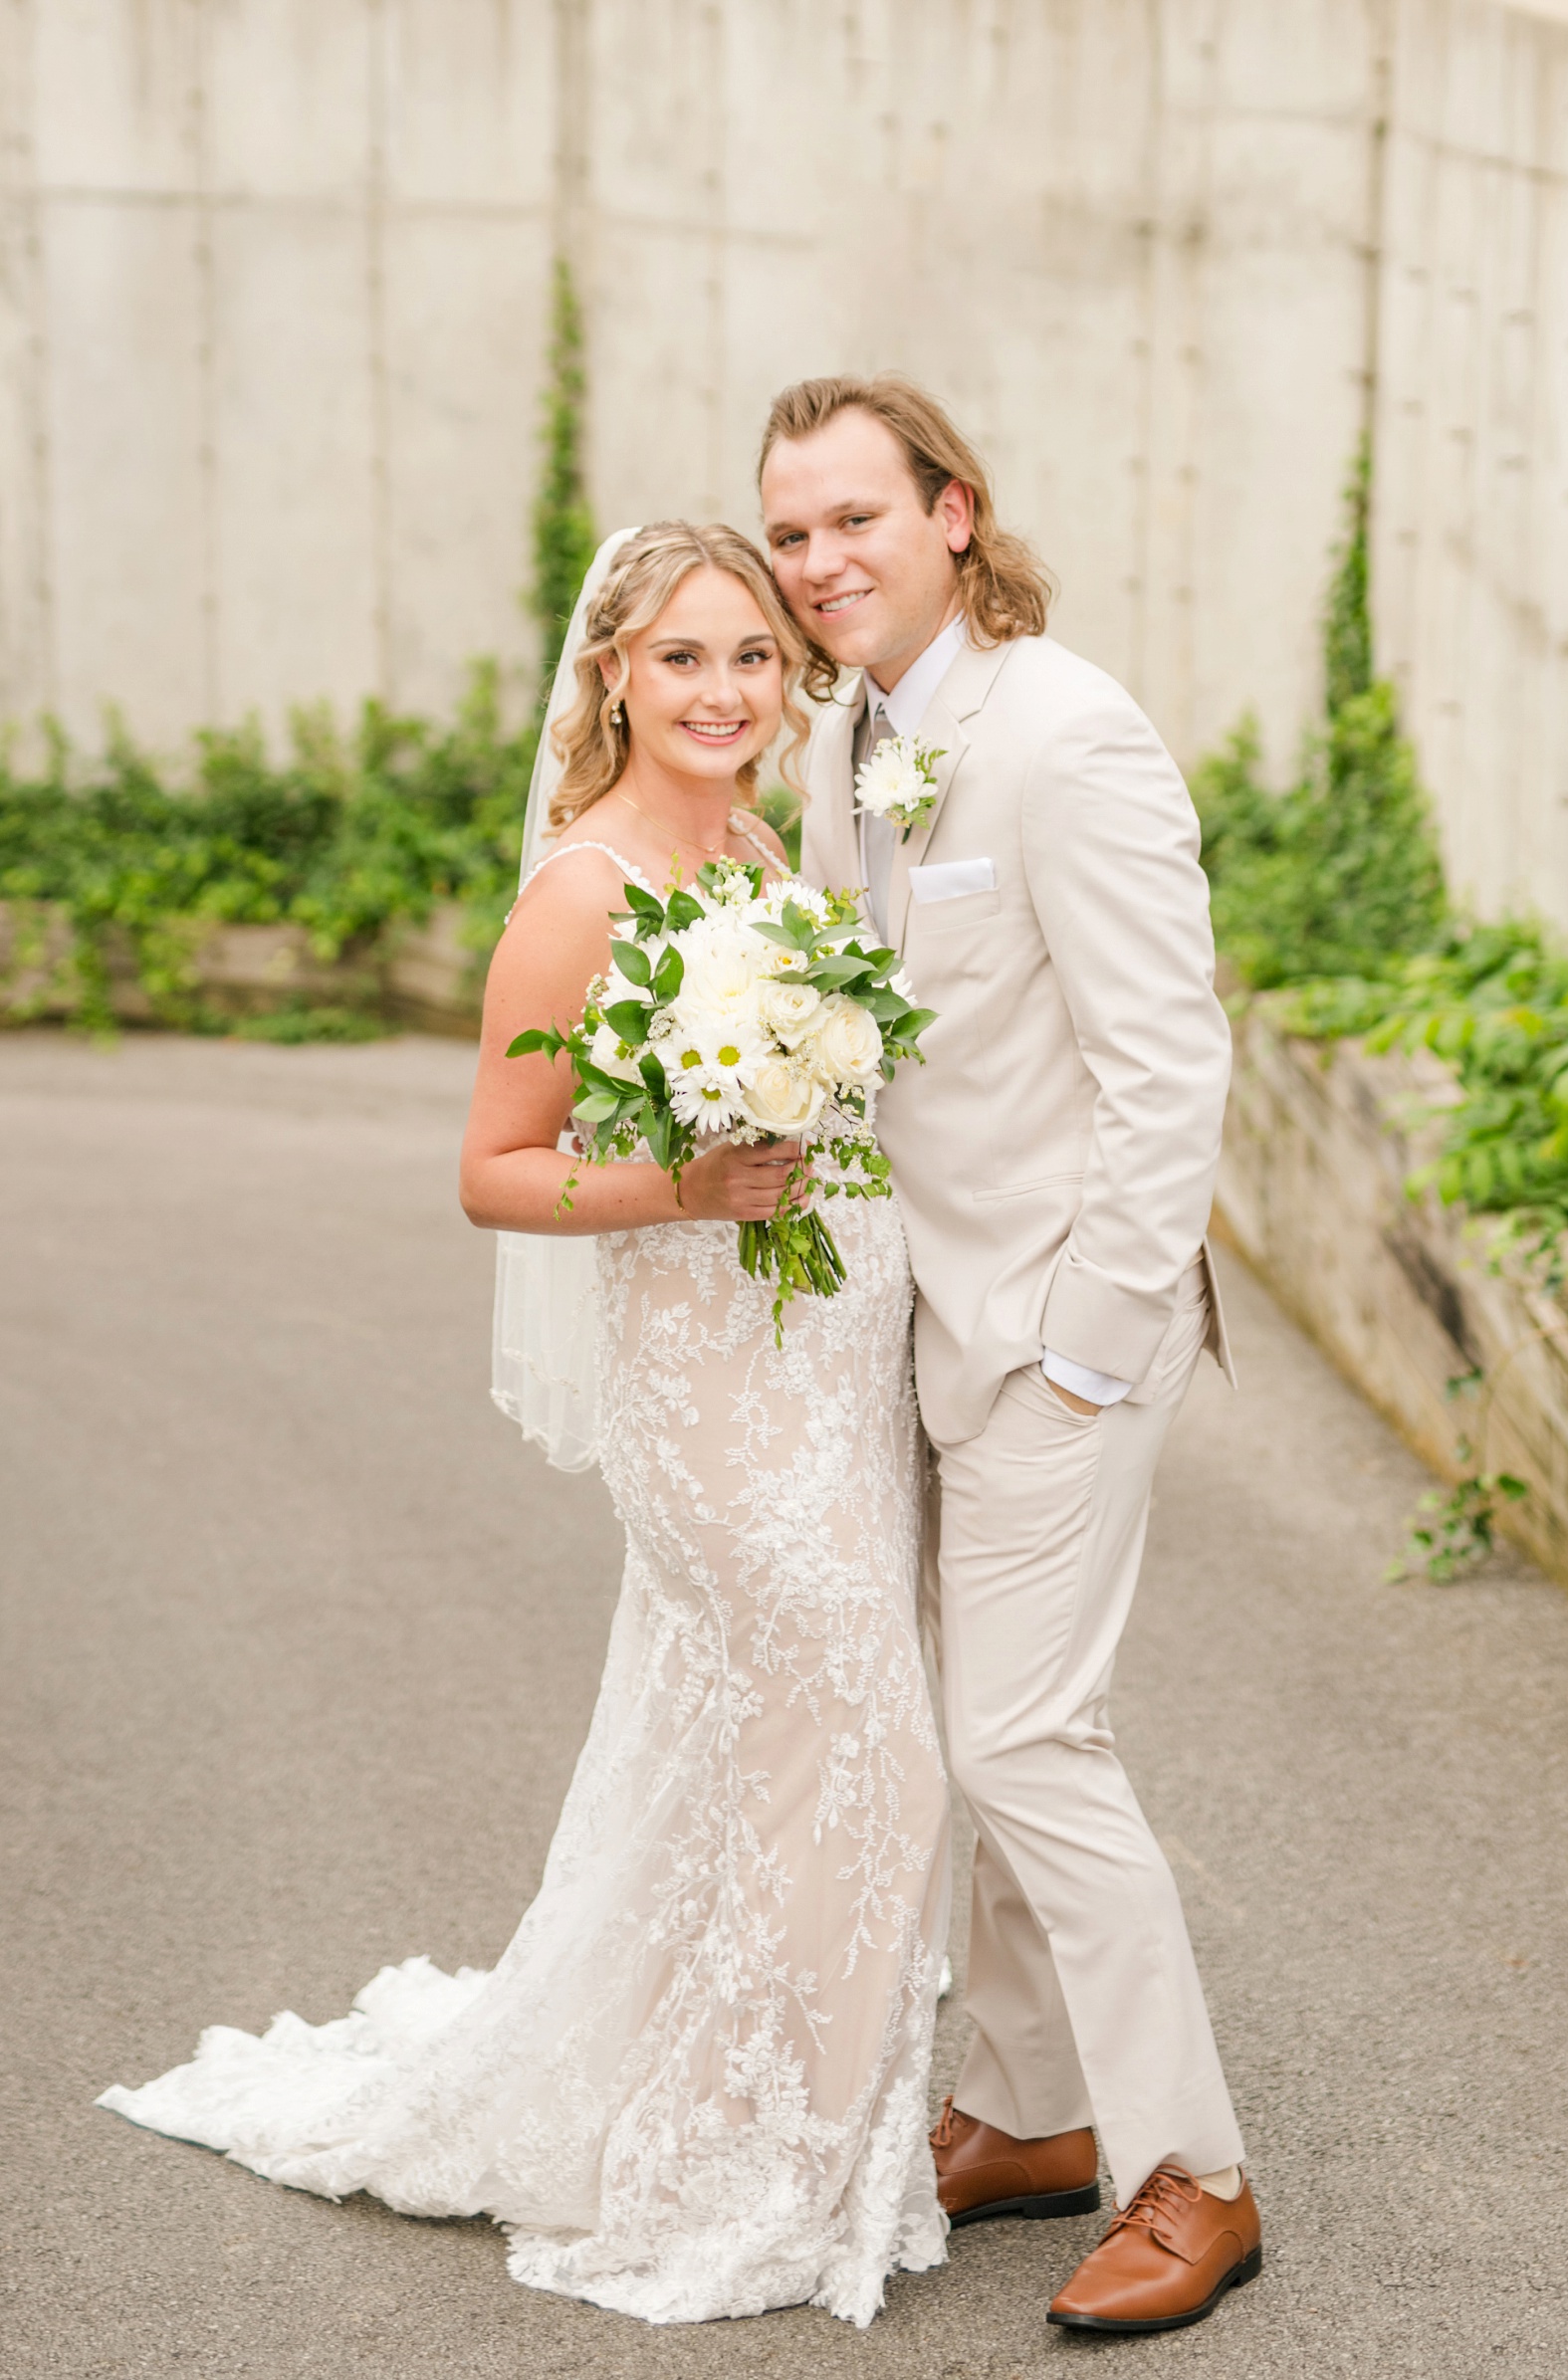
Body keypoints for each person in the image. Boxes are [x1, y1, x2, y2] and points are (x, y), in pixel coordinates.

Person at [98, 521, 952, 2330]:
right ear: (612, 676)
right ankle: (751, 2153)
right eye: (681, 658)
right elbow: (494, 1170)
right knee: (855, 1730)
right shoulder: (581, 889)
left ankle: (758, 2112)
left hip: (823, 1363)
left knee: (769, 1751)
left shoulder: (759, 841)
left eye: (750, 655)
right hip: (707, 1395)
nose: (722, 691)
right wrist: (684, 1186)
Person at [760, 377, 1262, 2337]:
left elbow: (1169, 1065)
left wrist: (1083, 1351)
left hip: (1060, 1330)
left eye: (853, 519)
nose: (818, 563)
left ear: (951, 513)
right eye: (789, 533)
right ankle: (1030, 2105)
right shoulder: (850, 739)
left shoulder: (1066, 733)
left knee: (1024, 1739)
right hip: (915, 1321)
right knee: (972, 1712)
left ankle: (1190, 2169)